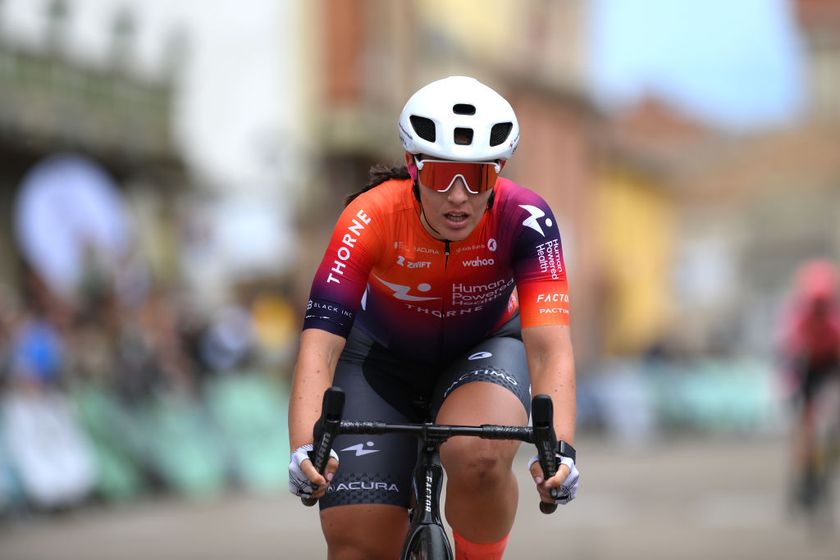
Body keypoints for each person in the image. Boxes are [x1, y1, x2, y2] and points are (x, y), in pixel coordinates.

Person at [288, 76, 579, 560]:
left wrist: (560, 451)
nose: (460, 196)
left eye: (479, 177)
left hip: (482, 351)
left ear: (499, 173)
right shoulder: (369, 216)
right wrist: (304, 445)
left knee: (481, 456)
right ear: (413, 167)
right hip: (379, 363)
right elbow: (321, 345)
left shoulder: (527, 218)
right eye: (443, 176)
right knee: (359, 545)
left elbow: (550, 347)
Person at [778, 259, 840, 510]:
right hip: (808, 367)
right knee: (805, 428)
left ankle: (820, 469)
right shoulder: (798, 320)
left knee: (827, 428)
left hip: (829, 365)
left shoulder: (833, 322)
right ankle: (805, 476)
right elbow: (791, 356)